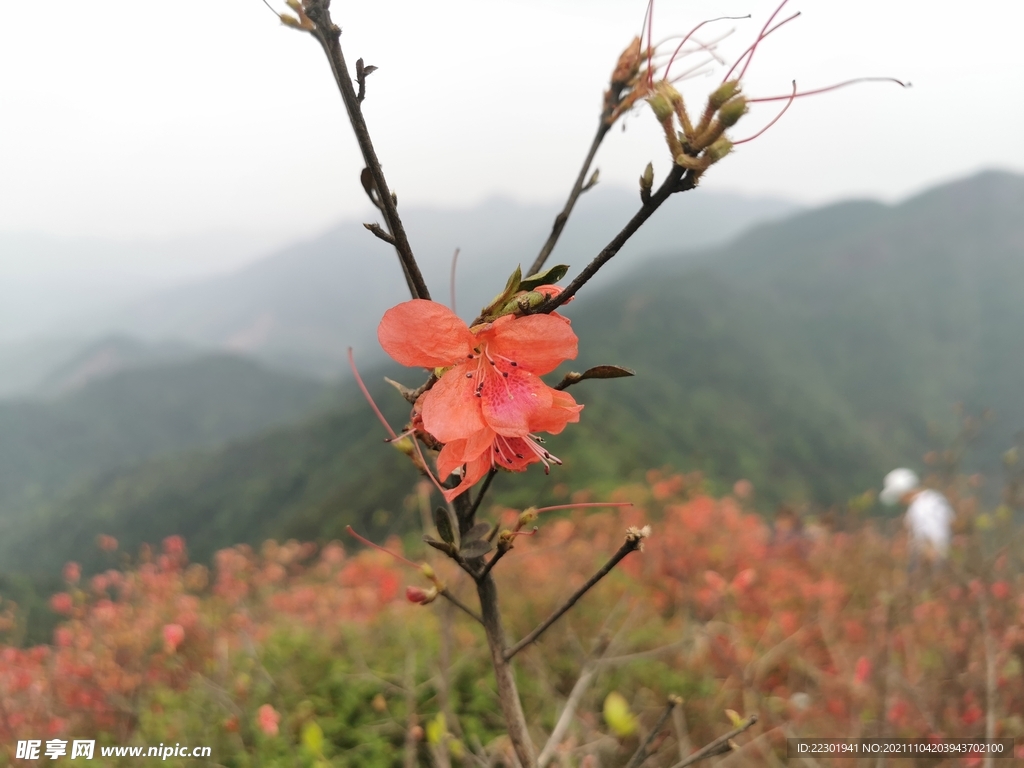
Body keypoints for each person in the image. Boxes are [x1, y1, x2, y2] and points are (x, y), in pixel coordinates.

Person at [880, 468, 954, 565]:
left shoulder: (919, 508)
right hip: (947, 558)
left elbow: (932, 540)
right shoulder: (934, 497)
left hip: (932, 564)